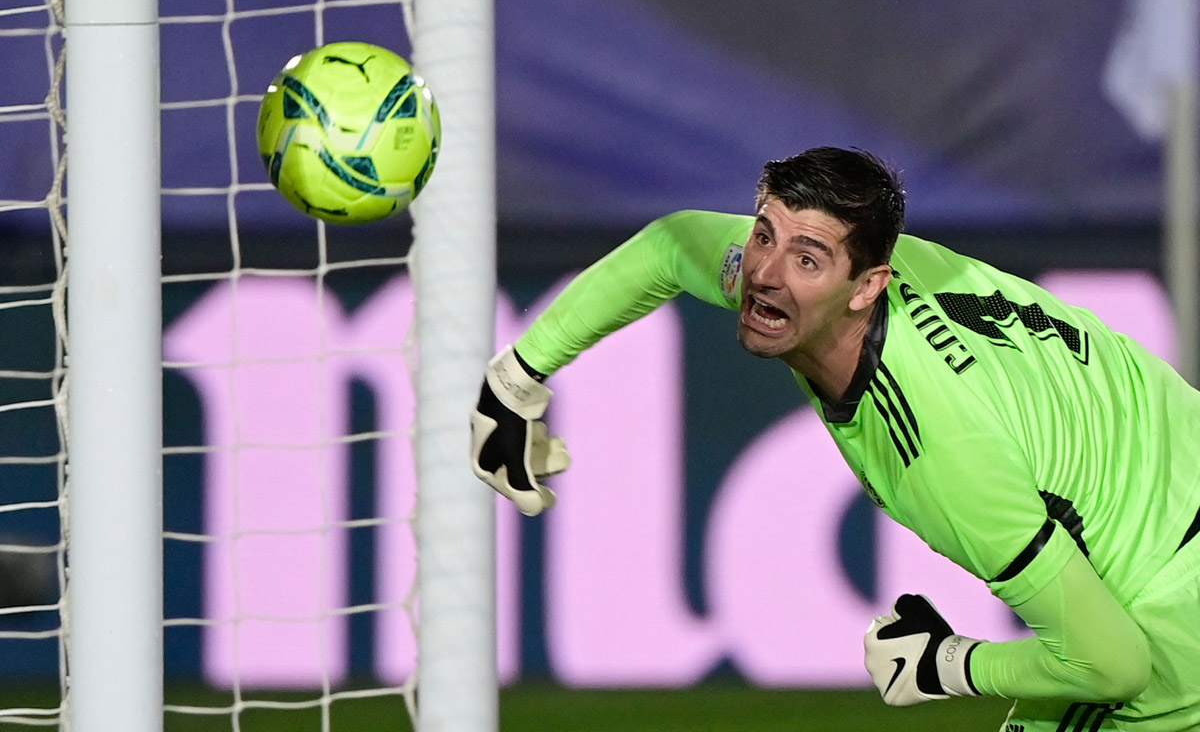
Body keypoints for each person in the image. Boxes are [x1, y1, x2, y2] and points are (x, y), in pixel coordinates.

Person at [469, 146, 1200, 731]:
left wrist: (946, 665)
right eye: (762, 234)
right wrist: (516, 379)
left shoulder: (936, 448)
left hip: (1173, 613)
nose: (764, 275)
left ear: (867, 285)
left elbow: (1112, 667)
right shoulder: (793, 275)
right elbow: (666, 248)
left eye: (807, 259)